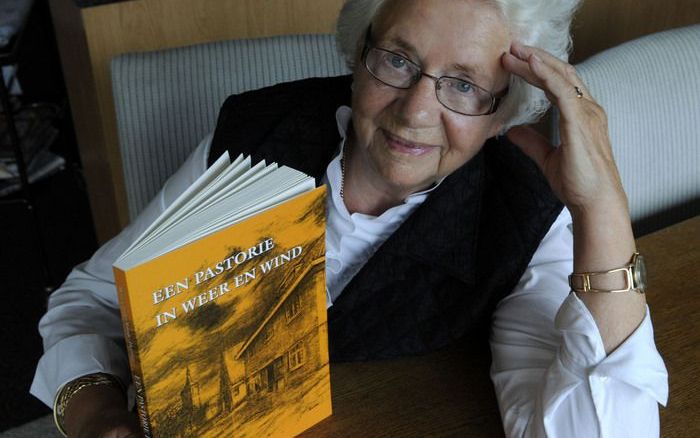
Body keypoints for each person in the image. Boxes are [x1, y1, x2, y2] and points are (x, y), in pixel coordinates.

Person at [31, 0, 668, 436]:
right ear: (359, 51)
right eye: (398, 60)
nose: (417, 110)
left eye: (466, 85)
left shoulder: (520, 215)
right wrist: (91, 414)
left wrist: (602, 205)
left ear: (506, 111)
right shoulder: (256, 136)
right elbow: (89, 299)